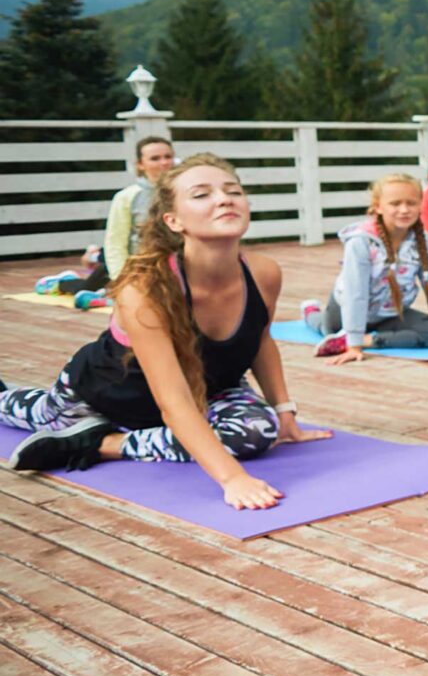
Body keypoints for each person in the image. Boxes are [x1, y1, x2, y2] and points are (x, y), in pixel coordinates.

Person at [2, 154, 331, 505]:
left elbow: (260, 341)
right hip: (106, 394)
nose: (224, 199)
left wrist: (285, 414)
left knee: (255, 431)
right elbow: (172, 402)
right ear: (173, 220)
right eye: (202, 194)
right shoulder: (145, 288)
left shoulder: (264, 273)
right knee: (26, 411)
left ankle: (99, 443)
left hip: (209, 391)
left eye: (232, 191)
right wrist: (233, 479)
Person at [301, 174, 428, 363]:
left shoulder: (424, 242)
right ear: (378, 206)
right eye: (395, 203)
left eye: (411, 203)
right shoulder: (361, 242)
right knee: (324, 327)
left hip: (390, 313)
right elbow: (355, 294)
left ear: (420, 205)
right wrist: (353, 344)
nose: (404, 210)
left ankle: (370, 339)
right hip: (345, 310)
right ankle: (311, 311)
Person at [36, 136, 177, 308]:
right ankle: (63, 282)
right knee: (86, 287)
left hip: (169, 266)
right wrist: (121, 279)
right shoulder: (126, 197)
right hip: (133, 267)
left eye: (167, 156)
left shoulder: (184, 193)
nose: (164, 162)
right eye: (155, 158)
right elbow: (115, 242)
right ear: (140, 164)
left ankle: (101, 283)